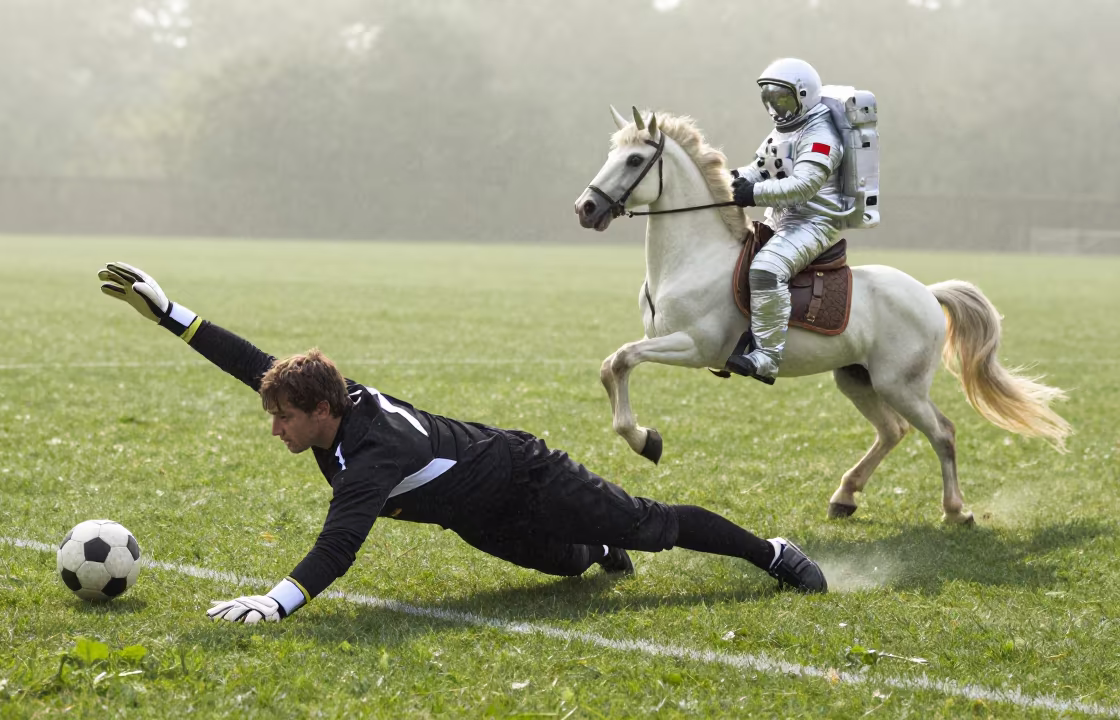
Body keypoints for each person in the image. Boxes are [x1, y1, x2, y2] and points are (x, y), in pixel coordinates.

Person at [97, 261, 828, 624]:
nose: (275, 426)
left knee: (651, 524)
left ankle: (772, 554)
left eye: (284, 419)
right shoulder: (323, 397)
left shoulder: (370, 452)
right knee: (567, 569)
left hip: (526, 473)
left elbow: (339, 546)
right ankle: (599, 547)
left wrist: (274, 603)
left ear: (319, 410)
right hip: (480, 513)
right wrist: (167, 312)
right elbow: (246, 359)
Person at [728, 58, 846, 384]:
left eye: (781, 98)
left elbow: (803, 186)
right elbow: (758, 168)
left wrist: (754, 193)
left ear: (803, 96)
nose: (775, 106)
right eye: (769, 99)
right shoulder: (784, 128)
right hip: (780, 216)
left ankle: (766, 357)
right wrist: (724, 182)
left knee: (766, 269)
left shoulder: (822, 136)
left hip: (815, 221)